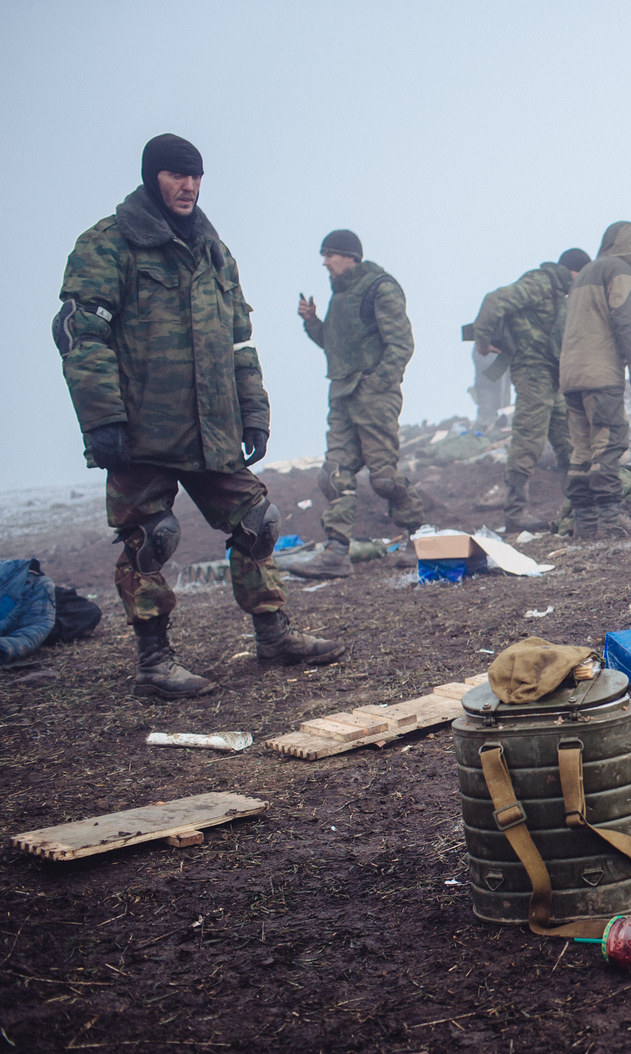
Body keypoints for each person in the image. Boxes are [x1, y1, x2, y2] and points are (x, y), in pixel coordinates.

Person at [54, 134, 342, 698]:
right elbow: (79, 334)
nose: (188, 186)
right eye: (175, 175)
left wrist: (252, 412)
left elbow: (239, 342)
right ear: (151, 177)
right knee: (150, 538)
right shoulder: (108, 244)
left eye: (196, 176)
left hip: (213, 428)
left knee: (259, 520)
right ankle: (154, 663)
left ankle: (273, 636)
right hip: (142, 431)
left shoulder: (213, 249)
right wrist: (102, 418)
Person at [288, 230, 426, 578]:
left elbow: (401, 343)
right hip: (342, 396)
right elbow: (335, 344)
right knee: (334, 475)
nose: (324, 262)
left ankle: (419, 539)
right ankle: (336, 553)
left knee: (383, 479)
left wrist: (378, 383)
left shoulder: (380, 287)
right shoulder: (339, 296)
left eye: (330, 254)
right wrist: (312, 323)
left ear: (350, 256)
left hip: (373, 396)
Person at [473, 247, 591, 532]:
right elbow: (494, 301)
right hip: (532, 371)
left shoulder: (561, 293)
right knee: (528, 440)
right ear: (575, 271)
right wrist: (482, 342)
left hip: (555, 374)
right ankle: (515, 513)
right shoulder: (541, 282)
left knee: (569, 443)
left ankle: (579, 509)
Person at [559, 222, 631, 540]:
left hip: (571, 376)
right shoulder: (618, 270)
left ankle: (585, 525)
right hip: (600, 374)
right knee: (608, 442)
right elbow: (626, 319)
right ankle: (612, 521)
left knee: (581, 450)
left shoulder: (584, 274)